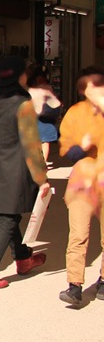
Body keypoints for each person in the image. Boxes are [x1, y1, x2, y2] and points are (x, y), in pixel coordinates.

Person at [0, 56, 50, 289]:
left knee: (6, 215)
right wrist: (41, 177)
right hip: (14, 170)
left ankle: (23, 259)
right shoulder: (23, 104)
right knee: (8, 219)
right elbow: (31, 145)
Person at [57, 70, 104, 305]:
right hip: (82, 182)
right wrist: (82, 146)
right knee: (78, 234)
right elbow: (67, 151)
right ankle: (74, 285)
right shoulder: (76, 113)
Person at [26, 64, 62, 165]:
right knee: (45, 140)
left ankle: (38, 161)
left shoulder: (31, 88)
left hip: (36, 115)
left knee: (36, 139)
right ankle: (43, 162)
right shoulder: (47, 87)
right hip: (46, 116)